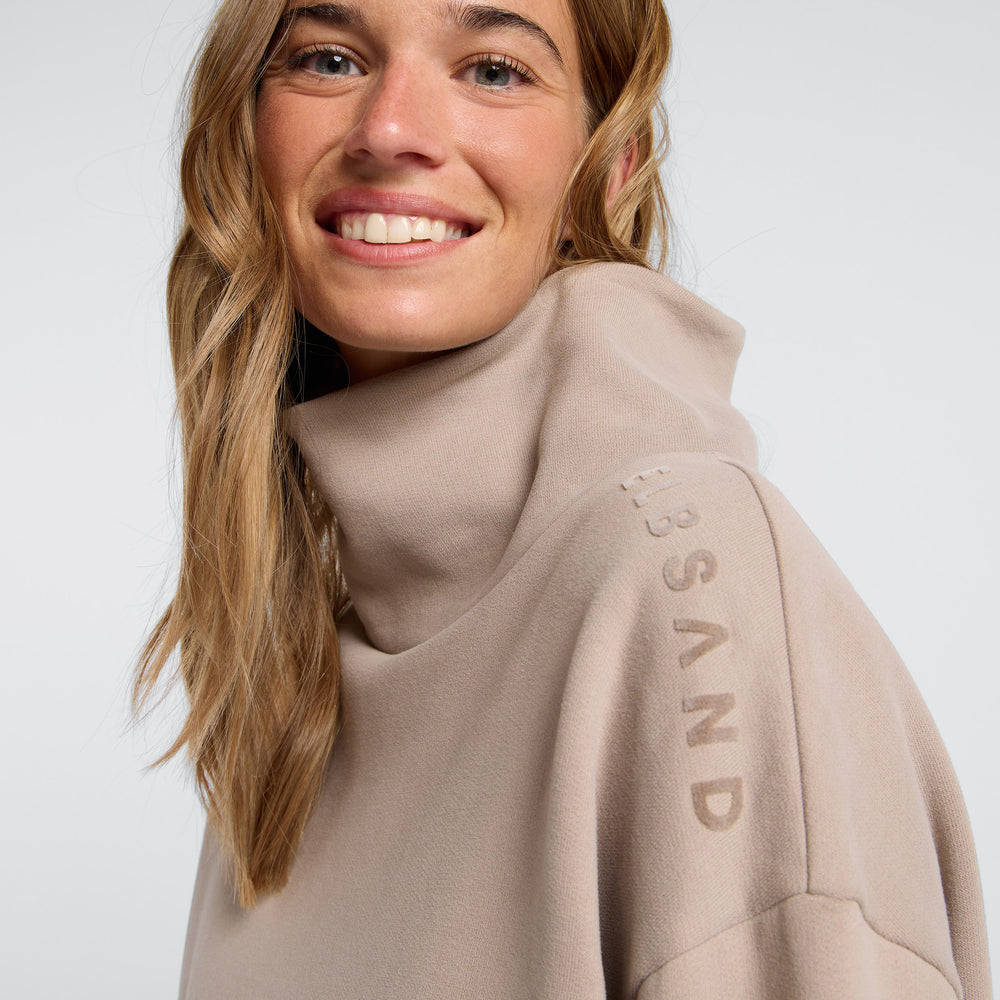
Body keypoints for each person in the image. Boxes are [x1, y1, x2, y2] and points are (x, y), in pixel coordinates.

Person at [136, 0, 992, 996]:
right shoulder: (294, 687)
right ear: (248, 134)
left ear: (608, 168)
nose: (389, 128)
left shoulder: (690, 581)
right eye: (330, 59)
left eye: (493, 70)